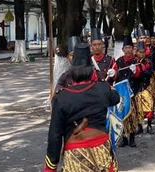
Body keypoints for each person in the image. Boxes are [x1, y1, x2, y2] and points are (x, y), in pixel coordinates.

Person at [44, 44, 120, 172]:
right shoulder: (103, 89)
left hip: (75, 155)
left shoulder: (62, 97)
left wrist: (51, 166)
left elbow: (55, 135)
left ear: (72, 69)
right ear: (91, 69)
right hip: (101, 150)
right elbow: (116, 98)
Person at [106, 35, 142, 147]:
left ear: (133, 49)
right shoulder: (118, 61)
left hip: (133, 92)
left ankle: (132, 138)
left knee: (132, 115)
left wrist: (136, 71)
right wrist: (113, 74)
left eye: (129, 48)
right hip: (122, 94)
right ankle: (124, 138)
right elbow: (115, 75)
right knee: (122, 116)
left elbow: (140, 74)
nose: (127, 50)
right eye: (125, 48)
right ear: (122, 50)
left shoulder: (136, 61)